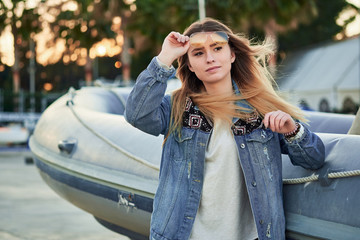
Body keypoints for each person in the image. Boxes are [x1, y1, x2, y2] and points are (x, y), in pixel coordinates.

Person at [125, 18, 325, 240]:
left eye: (218, 48)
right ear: (189, 65)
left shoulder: (263, 110)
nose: (210, 58)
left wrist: (292, 130)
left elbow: (314, 159)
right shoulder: (176, 108)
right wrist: (165, 58)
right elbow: (136, 115)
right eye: (198, 53)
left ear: (231, 54)